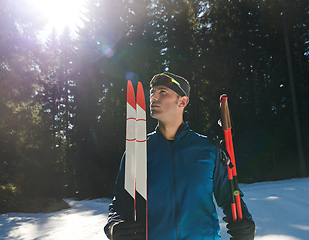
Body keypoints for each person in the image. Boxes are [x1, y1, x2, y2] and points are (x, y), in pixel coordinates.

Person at [104, 72, 255, 240]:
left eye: (162, 92)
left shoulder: (209, 149)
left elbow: (230, 196)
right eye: (152, 92)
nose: (153, 97)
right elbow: (119, 203)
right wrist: (113, 227)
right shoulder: (137, 151)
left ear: (183, 101)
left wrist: (246, 224)